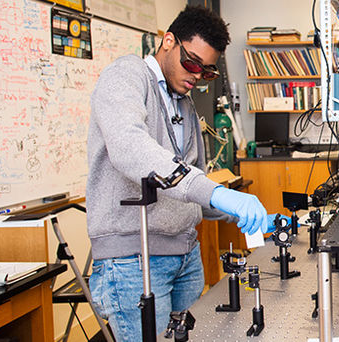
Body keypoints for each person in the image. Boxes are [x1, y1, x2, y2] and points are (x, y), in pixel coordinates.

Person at [87, 6, 282, 341]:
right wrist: (216, 191)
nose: (195, 76)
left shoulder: (184, 104)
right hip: (135, 263)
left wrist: (240, 210)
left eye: (206, 72)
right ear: (168, 41)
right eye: (191, 63)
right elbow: (130, 147)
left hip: (185, 256)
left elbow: (191, 191)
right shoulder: (126, 76)